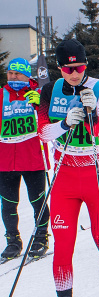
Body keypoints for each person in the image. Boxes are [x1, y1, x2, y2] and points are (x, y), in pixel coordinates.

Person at [39, 38, 99, 297]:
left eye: (79, 67)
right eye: (68, 68)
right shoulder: (50, 90)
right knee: (62, 247)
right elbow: (43, 134)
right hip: (64, 178)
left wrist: (90, 116)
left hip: (96, 176)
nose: (74, 73)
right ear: (59, 68)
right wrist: (64, 123)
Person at [0, 58, 50, 260]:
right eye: (10, 73)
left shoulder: (38, 94)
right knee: (8, 203)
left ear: (28, 76)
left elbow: (51, 120)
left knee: (37, 199)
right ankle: (13, 241)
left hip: (33, 158)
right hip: (5, 160)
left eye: (18, 74)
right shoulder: (2, 95)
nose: (13, 77)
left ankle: (41, 237)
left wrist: (41, 105)